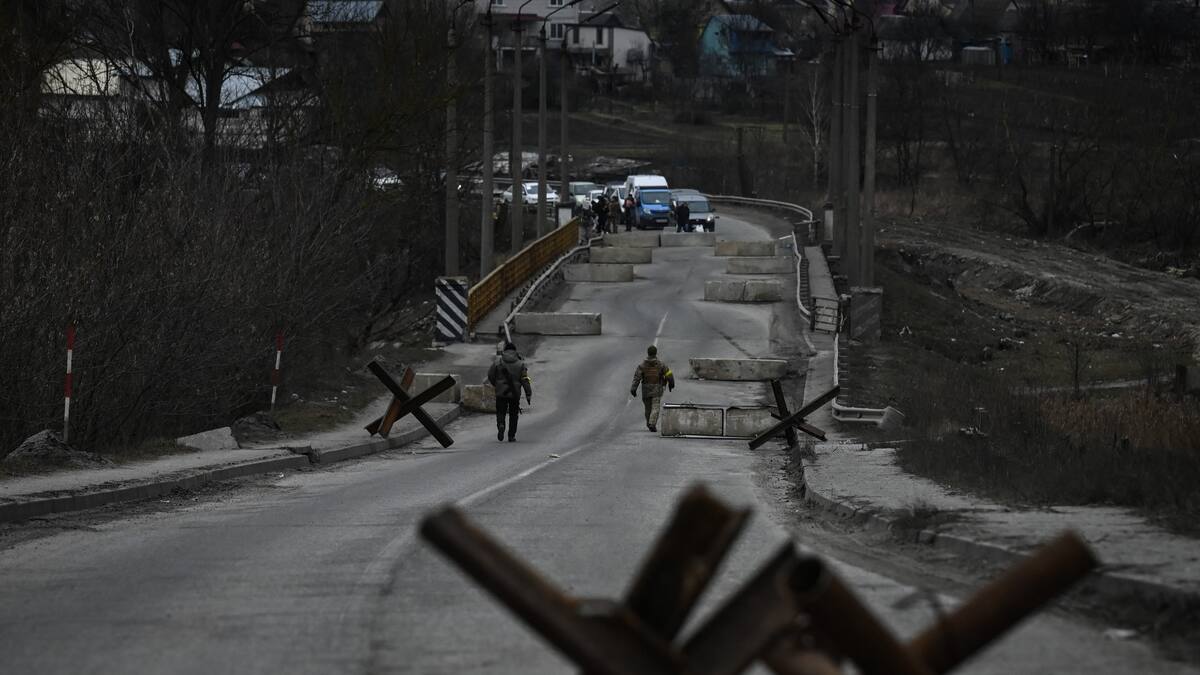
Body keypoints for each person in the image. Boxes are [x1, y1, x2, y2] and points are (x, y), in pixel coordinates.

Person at [488, 341, 532, 442]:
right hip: (514, 394)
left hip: (501, 393)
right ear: (515, 351)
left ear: (505, 351)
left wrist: (497, 385)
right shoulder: (521, 364)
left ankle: (501, 425)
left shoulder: (498, 362)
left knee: (500, 412)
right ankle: (511, 435)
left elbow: (490, 375)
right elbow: (525, 380)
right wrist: (528, 394)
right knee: (513, 415)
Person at [631, 344, 674, 432]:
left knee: (648, 408)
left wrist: (633, 388)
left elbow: (637, 377)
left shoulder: (642, 365)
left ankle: (649, 423)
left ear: (648, 353)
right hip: (657, 388)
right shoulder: (661, 364)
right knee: (655, 407)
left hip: (645, 389)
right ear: (655, 353)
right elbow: (669, 374)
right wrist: (671, 383)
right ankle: (652, 423)